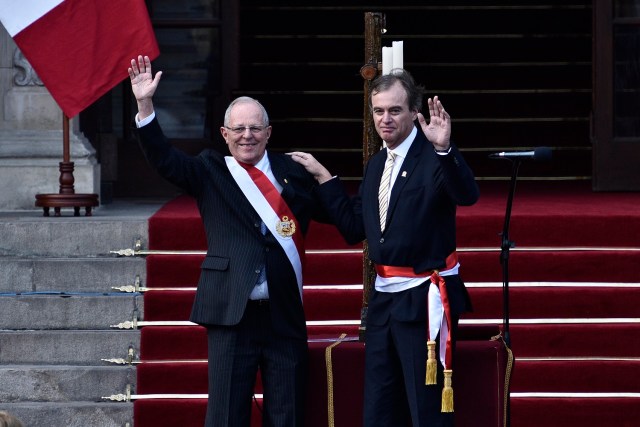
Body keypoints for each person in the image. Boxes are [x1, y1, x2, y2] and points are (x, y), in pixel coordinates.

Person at [127, 55, 333, 427]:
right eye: (238, 129)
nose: (247, 136)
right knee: (226, 415)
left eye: (255, 128)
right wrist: (145, 105)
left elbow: (338, 215)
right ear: (225, 135)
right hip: (231, 310)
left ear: (269, 132)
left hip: (282, 313)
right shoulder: (210, 170)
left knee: (287, 413)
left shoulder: (293, 172)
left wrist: (327, 178)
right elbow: (165, 160)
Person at [290, 68, 479, 426]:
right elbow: (354, 228)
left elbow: (467, 194)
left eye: (394, 110)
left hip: (423, 299)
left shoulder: (432, 156)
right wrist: (323, 177)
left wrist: (445, 148)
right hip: (383, 302)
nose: (385, 119)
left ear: (413, 112)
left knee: (425, 407)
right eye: (378, 111)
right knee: (379, 407)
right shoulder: (377, 164)